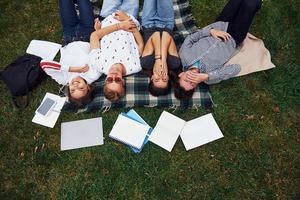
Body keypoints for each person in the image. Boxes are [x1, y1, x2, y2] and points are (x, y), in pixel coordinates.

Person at [41, 0, 135, 107]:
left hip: (69, 34)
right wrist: (99, 31)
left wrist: (74, 69)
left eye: (72, 90)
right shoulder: (94, 74)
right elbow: (100, 51)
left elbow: (44, 64)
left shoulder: (63, 79)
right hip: (88, 32)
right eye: (81, 88)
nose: (75, 85)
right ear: (88, 87)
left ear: (68, 90)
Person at [175, 0, 262, 99]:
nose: (192, 78)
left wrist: (210, 31)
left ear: (181, 74)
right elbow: (236, 68)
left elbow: (191, 38)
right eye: (192, 83)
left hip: (218, 26)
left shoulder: (184, 55)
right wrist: (208, 76)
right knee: (250, 4)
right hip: (234, 37)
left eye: (186, 80)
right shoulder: (210, 78)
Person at [89, 0, 144, 102]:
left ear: (105, 81)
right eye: (117, 80)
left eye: (110, 80)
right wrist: (127, 19)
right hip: (130, 18)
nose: (114, 76)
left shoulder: (98, 64)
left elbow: (94, 36)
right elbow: (140, 43)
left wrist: (101, 31)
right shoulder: (136, 66)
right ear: (123, 81)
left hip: (107, 18)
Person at [140, 0, 181, 96]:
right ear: (169, 79)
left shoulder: (146, 64)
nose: (161, 75)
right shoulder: (174, 63)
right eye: (164, 79)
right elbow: (166, 35)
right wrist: (163, 60)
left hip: (149, 22)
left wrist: (158, 60)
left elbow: (156, 35)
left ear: (152, 78)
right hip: (167, 23)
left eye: (157, 79)